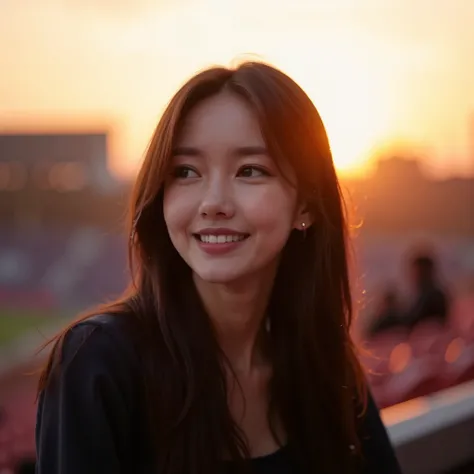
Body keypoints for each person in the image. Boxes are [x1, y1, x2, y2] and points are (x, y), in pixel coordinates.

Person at [35, 61, 401, 473]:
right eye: (186, 172)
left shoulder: (327, 370)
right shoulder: (100, 365)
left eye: (250, 171)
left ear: (306, 205)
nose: (213, 203)